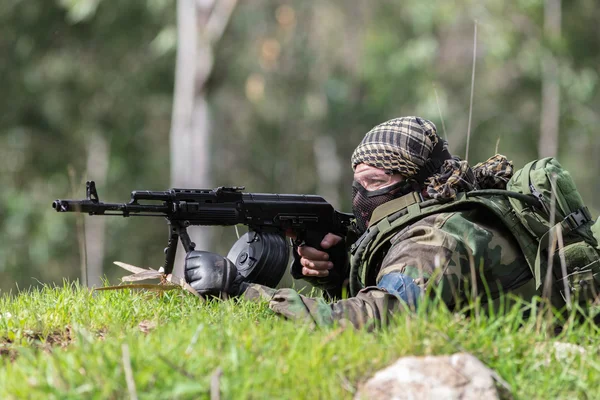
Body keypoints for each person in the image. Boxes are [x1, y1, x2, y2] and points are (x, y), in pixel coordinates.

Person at [185, 116, 537, 329]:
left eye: (374, 183)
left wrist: (242, 292)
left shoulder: (433, 240)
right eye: (357, 184)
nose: (360, 198)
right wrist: (342, 274)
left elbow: (376, 323)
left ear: (420, 185)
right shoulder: (453, 215)